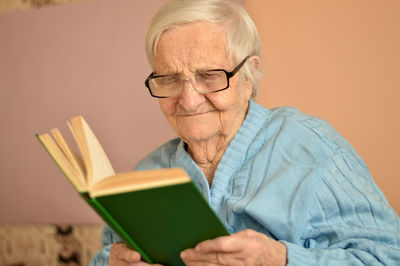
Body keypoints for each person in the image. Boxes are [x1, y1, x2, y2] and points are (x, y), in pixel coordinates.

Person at [90, 0, 400, 265]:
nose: (188, 99)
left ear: (249, 75)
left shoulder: (314, 150)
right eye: (170, 79)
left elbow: (388, 256)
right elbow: (105, 254)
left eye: (209, 76)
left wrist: (281, 258)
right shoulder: (148, 172)